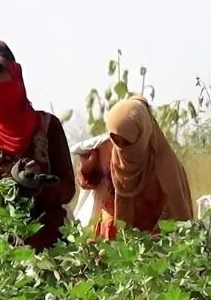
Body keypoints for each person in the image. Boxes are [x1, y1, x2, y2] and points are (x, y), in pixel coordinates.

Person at [0, 40, 76, 251]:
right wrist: (14, 186)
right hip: (1, 252)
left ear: (15, 72)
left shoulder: (47, 125)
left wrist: (38, 186)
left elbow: (67, 187)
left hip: (53, 245)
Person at [76, 96, 194, 239]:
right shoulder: (112, 154)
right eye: (116, 140)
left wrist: (153, 239)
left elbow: (178, 217)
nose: (121, 147)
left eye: (126, 142)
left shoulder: (165, 166)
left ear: (142, 135)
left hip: (161, 241)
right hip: (126, 240)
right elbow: (88, 181)